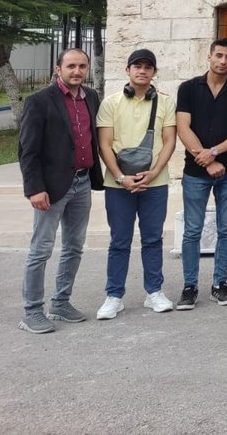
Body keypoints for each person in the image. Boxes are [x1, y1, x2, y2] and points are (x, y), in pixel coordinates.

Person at [17, 49, 104, 334]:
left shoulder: (91, 97)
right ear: (58, 69)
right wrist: (35, 189)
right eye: (71, 66)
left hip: (81, 184)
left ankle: (61, 302)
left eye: (82, 66)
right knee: (41, 249)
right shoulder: (39, 101)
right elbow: (27, 151)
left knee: (74, 247)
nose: (77, 71)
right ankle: (32, 311)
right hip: (51, 188)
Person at [95, 49, 178, 320]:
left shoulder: (165, 103)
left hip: (155, 183)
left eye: (147, 67)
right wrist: (120, 177)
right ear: (127, 70)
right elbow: (104, 144)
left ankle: (154, 292)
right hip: (119, 184)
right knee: (120, 240)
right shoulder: (111, 102)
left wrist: (153, 173)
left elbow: (169, 141)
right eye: (137, 66)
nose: (142, 71)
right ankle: (114, 296)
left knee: (153, 238)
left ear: (154, 72)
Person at [175, 38, 227, 310]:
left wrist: (216, 152)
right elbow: (182, 128)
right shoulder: (188, 88)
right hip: (196, 171)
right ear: (208, 57)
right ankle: (189, 286)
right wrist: (206, 160)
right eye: (218, 55)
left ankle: (220, 283)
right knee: (192, 230)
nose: (223, 61)